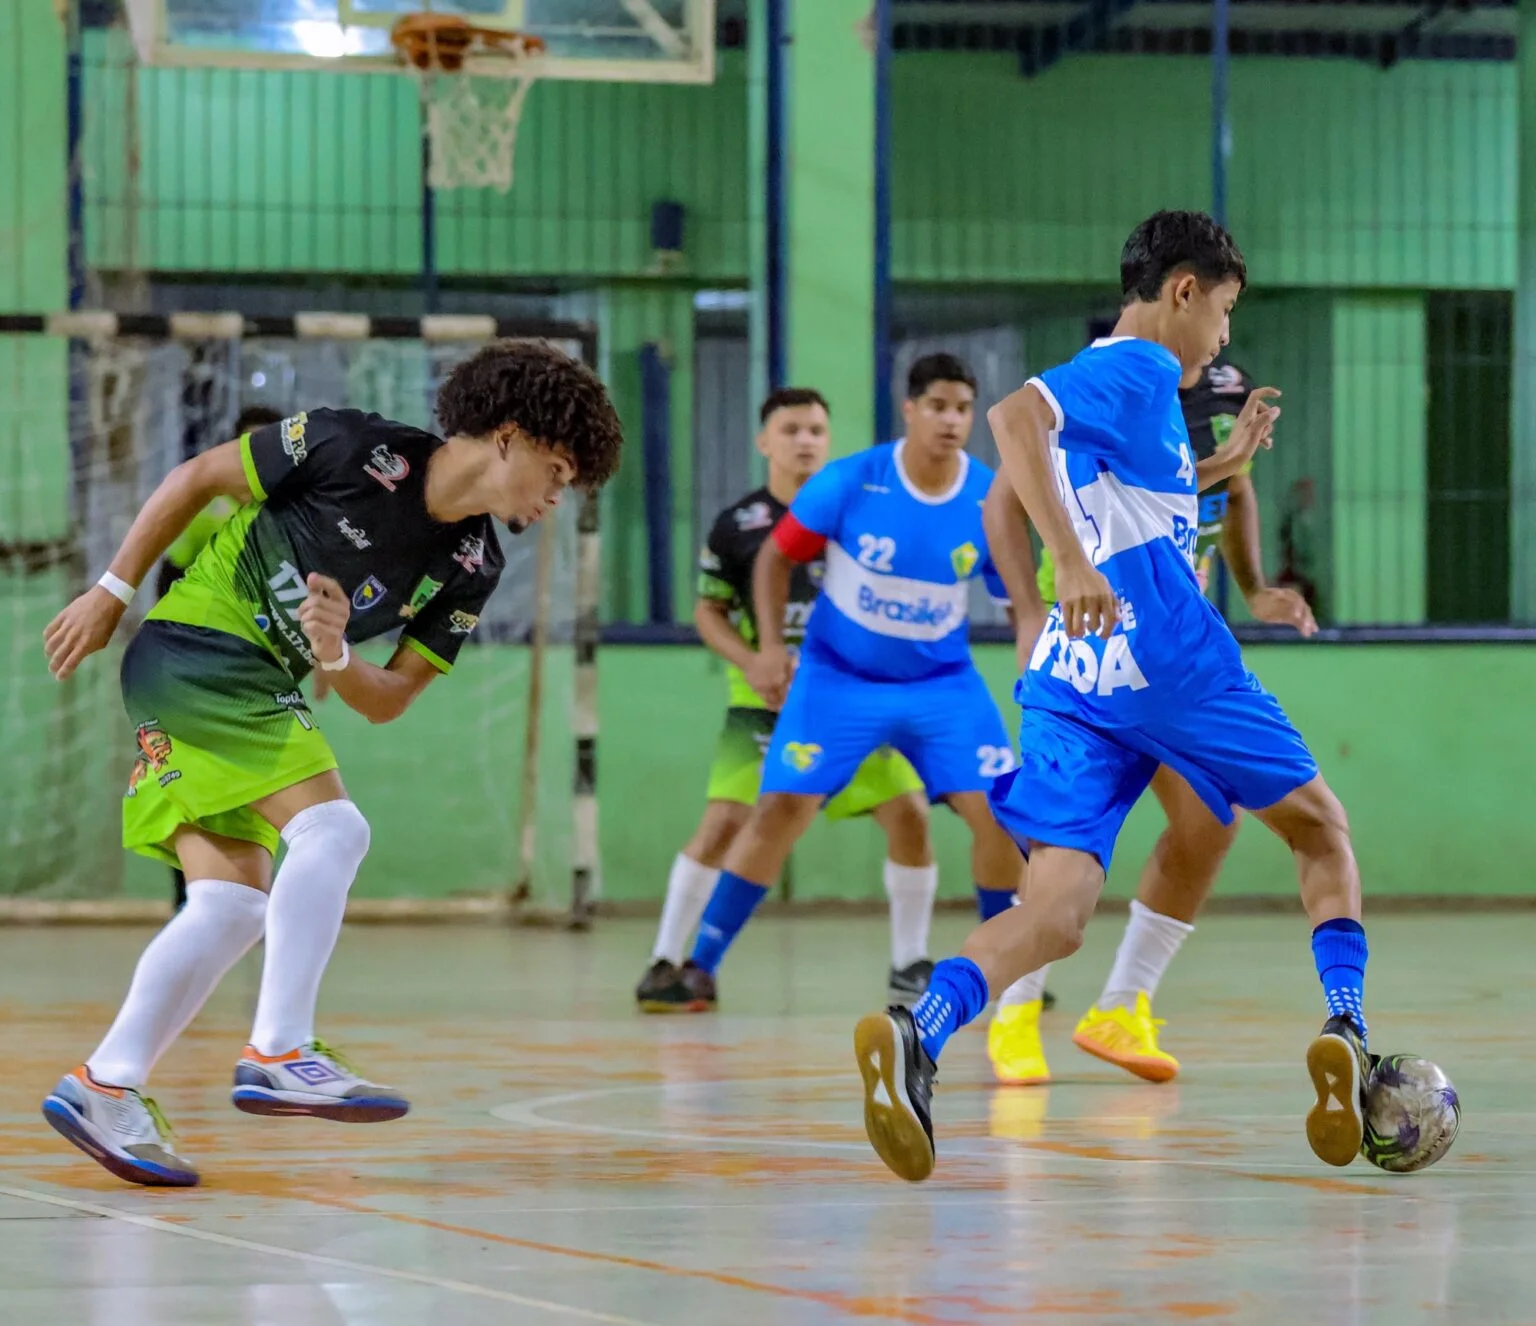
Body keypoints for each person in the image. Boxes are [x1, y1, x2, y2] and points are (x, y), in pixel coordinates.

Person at [853, 211, 1371, 1184]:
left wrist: (1232, 461)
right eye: (1221, 312)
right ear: (1183, 291)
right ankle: (1350, 1029)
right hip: (1164, 655)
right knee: (1320, 833)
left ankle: (918, 1031)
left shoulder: (1142, 409)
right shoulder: (1135, 368)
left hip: (1075, 678)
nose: (1222, 336)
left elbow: (1146, 499)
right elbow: (1012, 424)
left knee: (1053, 910)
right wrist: (1066, 562)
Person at [40, 341, 623, 1188]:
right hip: (196, 648)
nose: (557, 496)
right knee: (334, 829)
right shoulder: (353, 446)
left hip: (241, 683)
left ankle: (104, 1084)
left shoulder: (474, 565)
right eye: (558, 469)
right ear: (508, 438)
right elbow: (196, 479)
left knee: (233, 905)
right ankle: (279, 1049)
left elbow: (388, 698)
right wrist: (112, 591)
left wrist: (338, 653)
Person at [982, 357, 1318, 1086]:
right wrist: (1028, 613)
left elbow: (1233, 488)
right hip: (1088, 634)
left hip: (1167, 642)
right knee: (1062, 840)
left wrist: (1255, 586)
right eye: (1218, 308)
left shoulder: (1221, 387)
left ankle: (1122, 1007)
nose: (1222, 330)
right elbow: (1003, 499)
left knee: (1209, 822)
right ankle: (1014, 1010)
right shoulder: (1108, 382)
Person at [676, 354, 1030, 994]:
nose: (952, 421)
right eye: (939, 407)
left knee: (1001, 818)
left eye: (963, 409)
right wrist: (767, 651)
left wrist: (1042, 660)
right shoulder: (850, 482)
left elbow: (1018, 601)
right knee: (779, 808)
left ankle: (1000, 966)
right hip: (837, 681)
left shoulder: (988, 494)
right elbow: (773, 561)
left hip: (941, 685)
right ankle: (701, 962)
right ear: (911, 410)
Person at [635, 388, 940, 1012]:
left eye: (817, 430)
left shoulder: (863, 516)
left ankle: (910, 962)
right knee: (725, 822)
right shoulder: (738, 525)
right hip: (766, 699)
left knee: (909, 811)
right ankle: (665, 962)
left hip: (853, 694)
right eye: (792, 429)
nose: (806, 440)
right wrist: (753, 660)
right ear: (764, 442)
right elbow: (708, 611)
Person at [157, 405, 284, 913]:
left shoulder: (288, 525)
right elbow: (166, 593)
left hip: (256, 682)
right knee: (189, 789)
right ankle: (187, 900)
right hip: (192, 676)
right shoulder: (205, 519)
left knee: (258, 791)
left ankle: (249, 897)